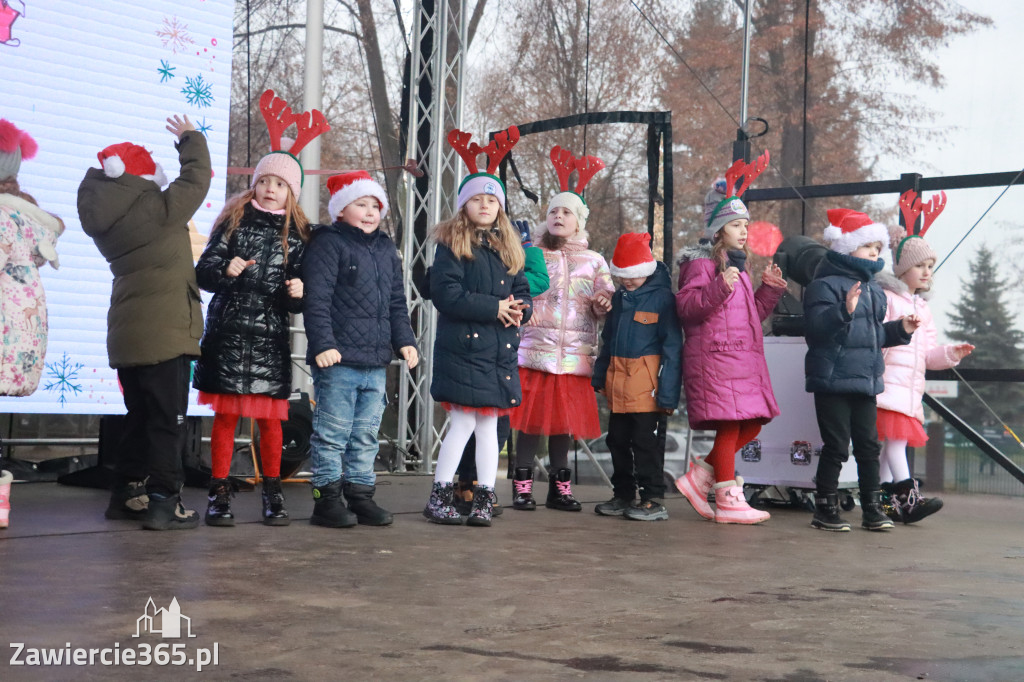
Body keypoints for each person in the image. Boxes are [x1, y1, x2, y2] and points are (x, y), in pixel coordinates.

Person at [78, 115, 210, 530]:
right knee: (167, 421)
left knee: (139, 417)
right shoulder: (157, 208)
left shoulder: (108, 223)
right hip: (166, 331)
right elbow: (197, 178)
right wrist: (190, 139)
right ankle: (163, 502)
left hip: (128, 333)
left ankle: (126, 494)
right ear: (140, 177)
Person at [192, 135, 319, 527]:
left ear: (291, 193)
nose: (270, 189)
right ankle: (218, 493)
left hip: (269, 341)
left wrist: (300, 292)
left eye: (280, 184)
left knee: (271, 422)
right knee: (226, 420)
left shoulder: (298, 237)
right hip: (228, 336)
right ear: (256, 184)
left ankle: (273, 492)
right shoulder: (233, 221)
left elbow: (300, 295)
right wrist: (223, 270)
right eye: (265, 181)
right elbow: (204, 271)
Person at [423, 125, 531, 527]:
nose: (485, 205)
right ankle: (441, 493)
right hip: (464, 350)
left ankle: (486, 494)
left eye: (492, 199)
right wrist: (494, 308)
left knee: (491, 426)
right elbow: (446, 294)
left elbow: (522, 288)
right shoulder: (451, 244)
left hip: (498, 353)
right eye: (477, 199)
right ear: (464, 206)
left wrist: (521, 309)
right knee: (464, 422)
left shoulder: (509, 246)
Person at [303, 170, 418, 528]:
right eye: (360, 203)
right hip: (339, 360)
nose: (370, 211)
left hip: (375, 360)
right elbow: (317, 298)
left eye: (375, 205)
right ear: (340, 209)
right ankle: (327, 500)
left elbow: (397, 302)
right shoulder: (328, 242)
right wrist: (323, 344)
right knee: (333, 432)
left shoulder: (385, 248)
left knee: (366, 434)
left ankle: (360, 496)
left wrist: (405, 341)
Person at [674, 169, 787, 524]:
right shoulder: (701, 263)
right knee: (729, 427)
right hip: (717, 359)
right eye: (737, 224)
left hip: (742, 361)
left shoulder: (739, 266)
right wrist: (719, 286)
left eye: (747, 226)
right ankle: (726, 497)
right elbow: (688, 307)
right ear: (719, 229)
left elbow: (749, 314)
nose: (745, 231)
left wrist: (767, 290)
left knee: (752, 424)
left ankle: (701, 478)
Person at [509, 145, 614, 512]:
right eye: (553, 210)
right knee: (530, 423)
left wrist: (603, 302)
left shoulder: (594, 261)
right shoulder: (532, 253)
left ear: (578, 221)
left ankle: (560, 488)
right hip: (535, 351)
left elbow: (606, 295)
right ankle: (522, 487)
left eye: (566, 211)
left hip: (573, 358)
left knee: (563, 426)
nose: (558, 215)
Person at [804, 208, 919, 532]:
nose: (874, 253)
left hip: (866, 381)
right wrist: (843, 311)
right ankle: (825, 508)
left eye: (878, 248)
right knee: (837, 447)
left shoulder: (873, 290)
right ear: (846, 246)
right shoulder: (823, 286)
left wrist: (900, 330)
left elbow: (872, 336)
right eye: (868, 246)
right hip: (833, 381)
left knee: (869, 448)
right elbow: (815, 330)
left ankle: (872, 508)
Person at [876, 192, 973, 523]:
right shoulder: (888, 298)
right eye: (920, 266)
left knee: (889, 448)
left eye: (930, 266)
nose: (927, 272)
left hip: (908, 389)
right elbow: (879, 337)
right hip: (887, 384)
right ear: (903, 269)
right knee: (895, 443)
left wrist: (950, 354)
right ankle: (908, 497)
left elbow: (929, 354)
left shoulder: (924, 308)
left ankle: (884, 501)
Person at [450, 219, 549, 516]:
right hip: (475, 347)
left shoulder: (518, 255)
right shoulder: (462, 251)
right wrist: (494, 302)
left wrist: (527, 250)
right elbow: (444, 289)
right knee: (468, 422)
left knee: (497, 425)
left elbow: (536, 282)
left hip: (506, 351)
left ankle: (483, 487)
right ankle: (462, 483)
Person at [591, 232, 681, 520]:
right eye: (621, 275)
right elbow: (608, 338)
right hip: (618, 384)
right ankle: (623, 494)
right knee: (616, 440)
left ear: (645, 269)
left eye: (633, 274)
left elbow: (673, 349)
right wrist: (599, 375)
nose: (627, 280)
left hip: (647, 388)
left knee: (644, 442)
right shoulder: (619, 299)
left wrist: (668, 393)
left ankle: (653, 497)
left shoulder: (663, 300)